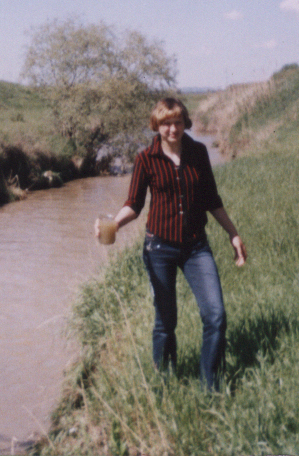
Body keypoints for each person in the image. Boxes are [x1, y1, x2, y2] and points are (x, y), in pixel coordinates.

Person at [96, 97, 247, 391]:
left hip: (196, 248)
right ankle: (164, 383)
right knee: (166, 322)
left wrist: (233, 233)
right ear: (157, 125)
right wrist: (113, 223)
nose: (173, 128)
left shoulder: (199, 152)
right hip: (159, 249)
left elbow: (211, 200)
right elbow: (134, 204)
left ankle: (210, 388)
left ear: (185, 122)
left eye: (177, 121)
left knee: (215, 316)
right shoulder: (145, 158)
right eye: (166, 123)